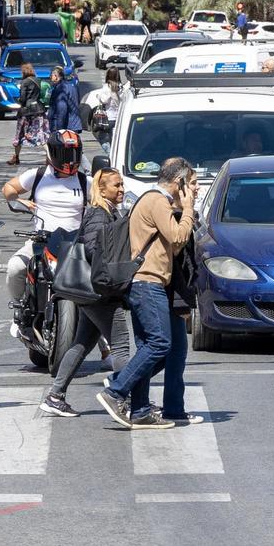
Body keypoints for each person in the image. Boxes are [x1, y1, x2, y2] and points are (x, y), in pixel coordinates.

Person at [95, 157, 198, 430]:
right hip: (147, 283)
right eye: (190, 184)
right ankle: (116, 390)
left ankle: (140, 411)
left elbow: (172, 248)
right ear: (179, 183)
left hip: (146, 283)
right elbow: (177, 237)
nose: (193, 191)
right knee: (160, 344)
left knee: (147, 346)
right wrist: (187, 210)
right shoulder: (156, 200)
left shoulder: (152, 201)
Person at [40, 168, 132, 417]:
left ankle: (55, 395)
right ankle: (124, 398)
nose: (121, 189)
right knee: (121, 346)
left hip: (91, 293)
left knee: (82, 343)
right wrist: (116, 272)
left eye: (122, 185)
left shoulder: (108, 212)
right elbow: (93, 250)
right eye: (116, 185)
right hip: (99, 292)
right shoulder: (99, 215)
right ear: (101, 189)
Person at [2, 131, 87, 309]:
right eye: (64, 154)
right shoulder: (38, 175)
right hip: (40, 241)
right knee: (15, 267)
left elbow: (103, 202)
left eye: (73, 153)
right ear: (52, 154)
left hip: (75, 244)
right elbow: (8, 188)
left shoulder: (86, 181)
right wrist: (20, 200)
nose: (70, 159)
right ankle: (19, 307)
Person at [8, 62, 48, 166]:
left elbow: (23, 98)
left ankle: (16, 157)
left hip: (26, 112)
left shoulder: (24, 82)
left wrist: (19, 101)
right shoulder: (38, 80)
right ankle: (49, 157)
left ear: (23, 72)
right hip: (39, 110)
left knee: (19, 133)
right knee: (40, 134)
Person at [86, 67, 122, 150]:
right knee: (115, 140)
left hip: (108, 117)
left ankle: (109, 154)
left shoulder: (107, 87)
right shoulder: (121, 87)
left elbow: (104, 100)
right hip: (119, 117)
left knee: (102, 138)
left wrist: (98, 97)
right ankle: (114, 154)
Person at [47, 66, 82, 134]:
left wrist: (59, 129)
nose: (50, 78)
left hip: (66, 126)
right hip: (74, 125)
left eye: (51, 76)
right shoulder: (71, 86)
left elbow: (62, 109)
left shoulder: (61, 89)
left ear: (56, 76)